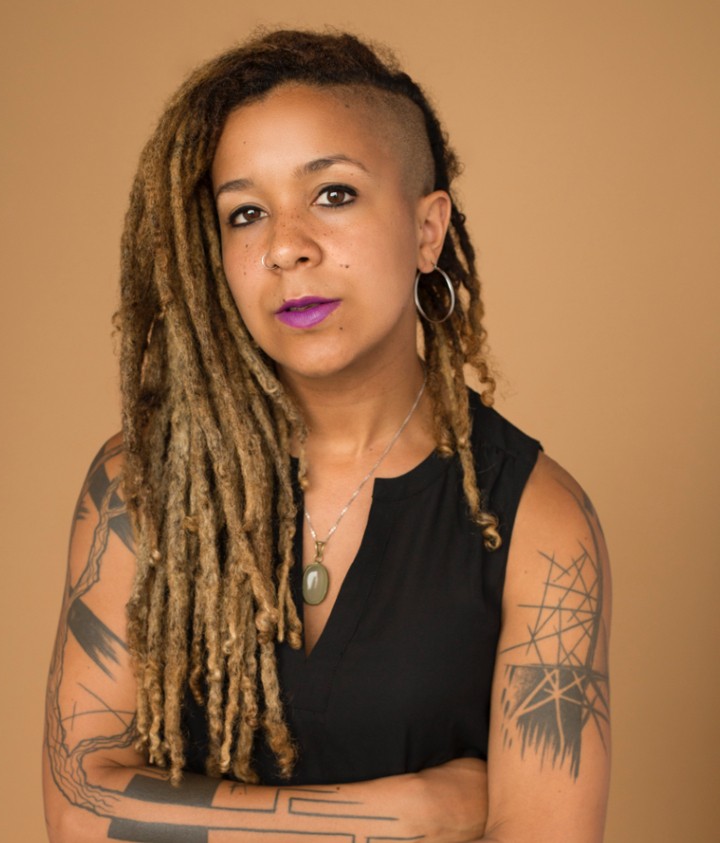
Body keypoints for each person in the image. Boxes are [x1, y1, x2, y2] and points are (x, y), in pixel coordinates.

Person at [43, 29, 611, 843]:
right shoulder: (142, 484)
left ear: (428, 229)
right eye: (246, 213)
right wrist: (408, 814)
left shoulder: (541, 524)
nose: (285, 246)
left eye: (333, 194)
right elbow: (77, 809)